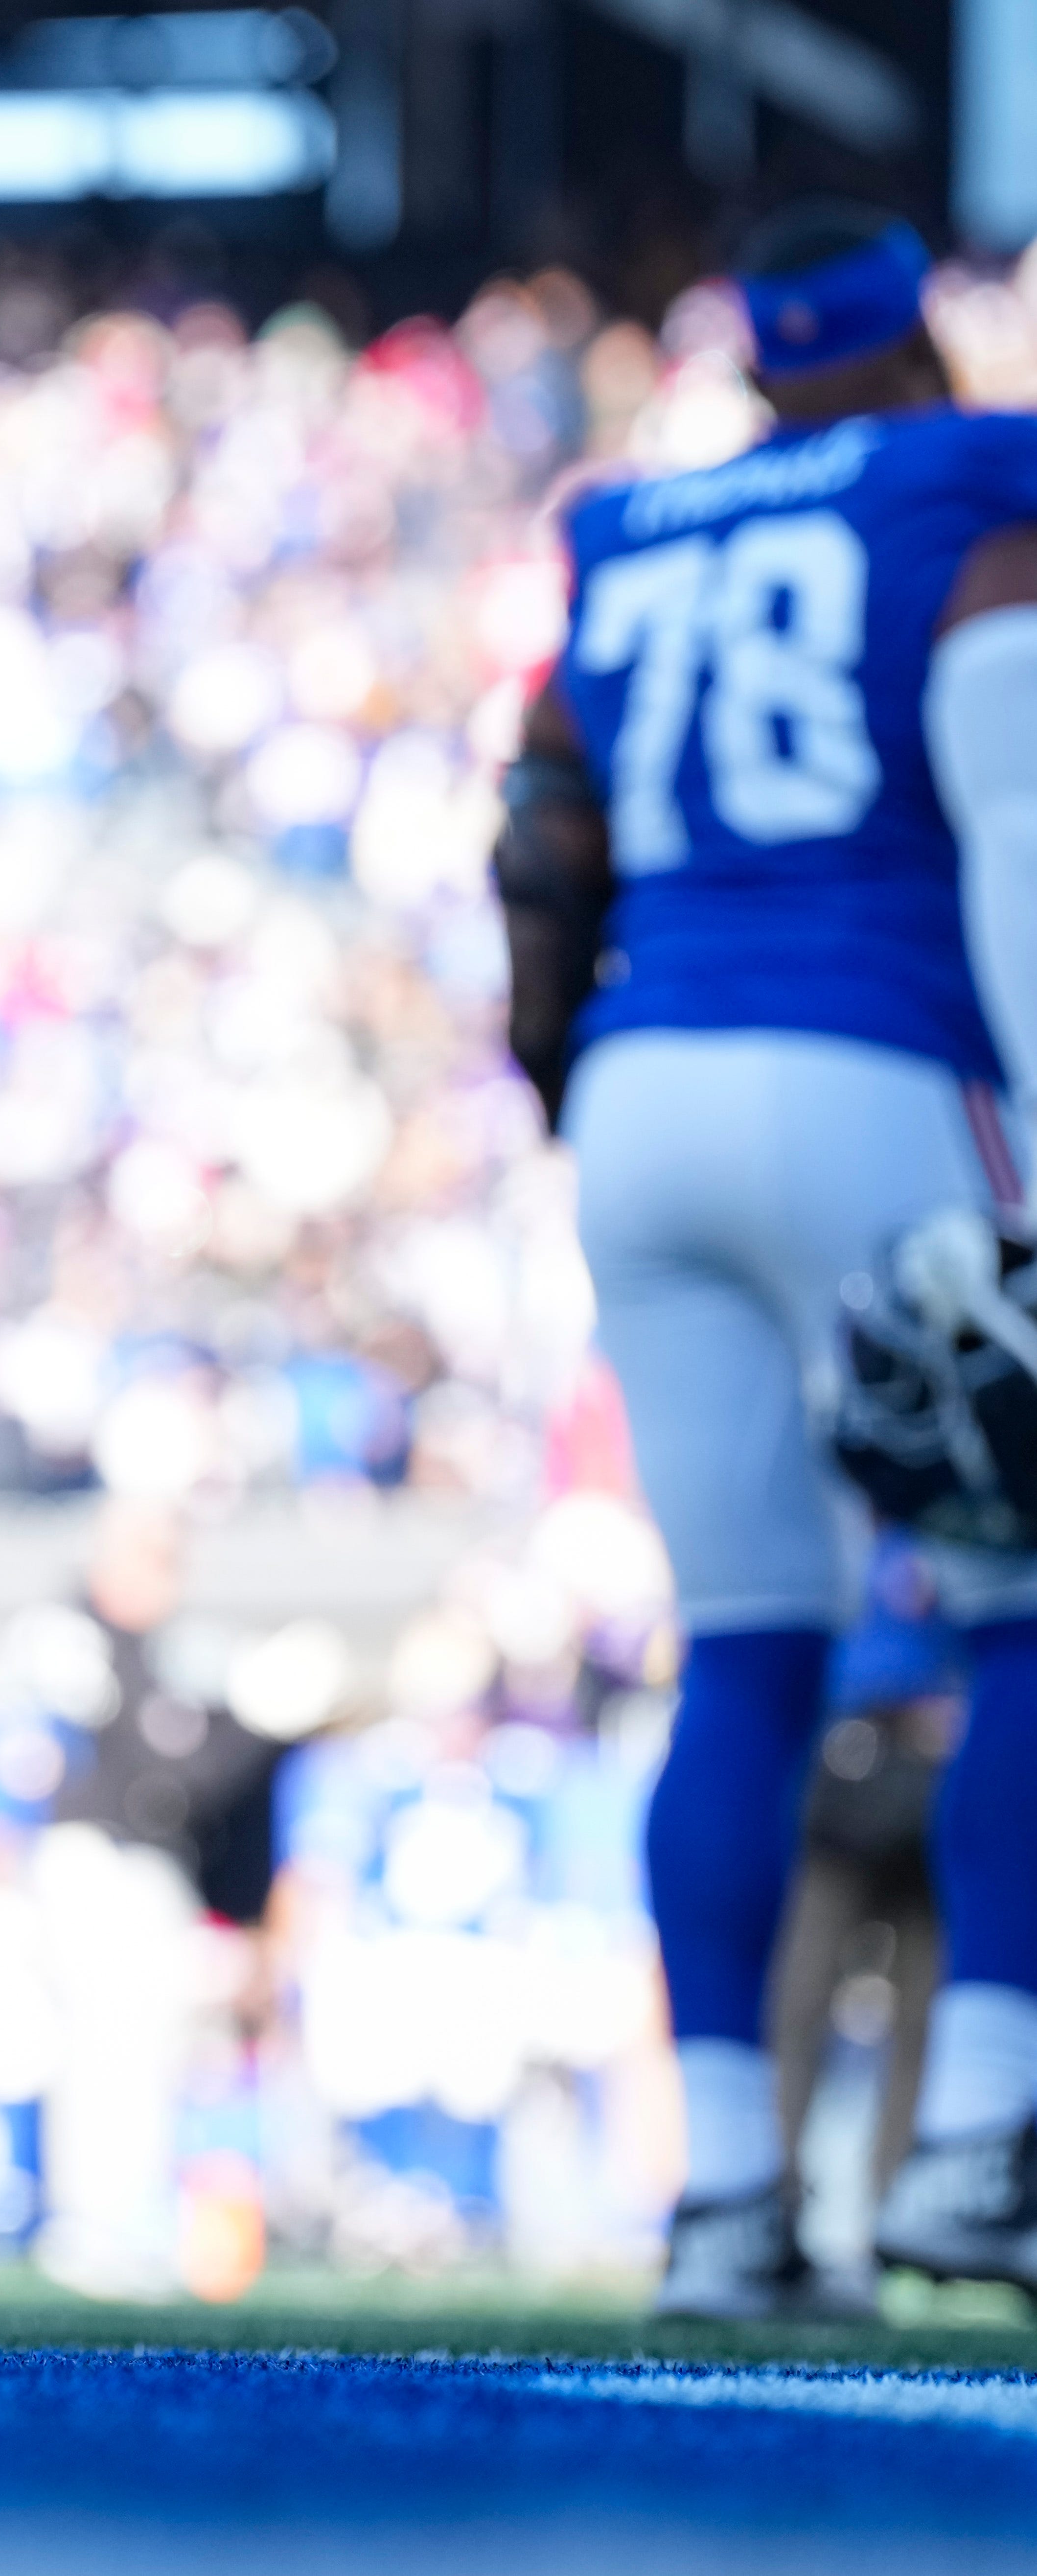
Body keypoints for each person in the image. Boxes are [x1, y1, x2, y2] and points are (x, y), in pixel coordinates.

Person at [498, 203, 1037, 2311]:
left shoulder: (627, 529)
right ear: (907, 343)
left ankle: (723, 2189)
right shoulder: (966, 482)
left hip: (640, 1081)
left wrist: (562, 1086)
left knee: (740, 1640)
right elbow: (1008, 825)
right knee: (1015, 1611)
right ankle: (982, 2134)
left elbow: (533, 841)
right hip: (872, 1062)